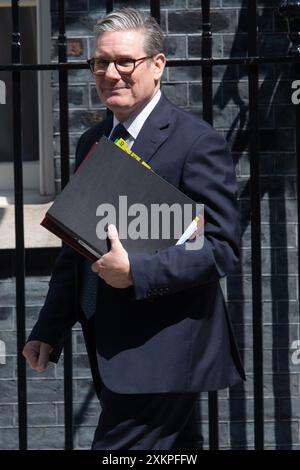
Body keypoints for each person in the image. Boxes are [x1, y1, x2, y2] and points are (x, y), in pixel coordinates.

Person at [23, 7, 245, 450]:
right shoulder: (94, 141)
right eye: (101, 62)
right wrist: (49, 328)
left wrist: (137, 273)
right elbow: (76, 244)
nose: (111, 73)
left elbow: (219, 245)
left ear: (157, 65)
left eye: (125, 61)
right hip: (111, 344)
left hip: (165, 350)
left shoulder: (195, 142)